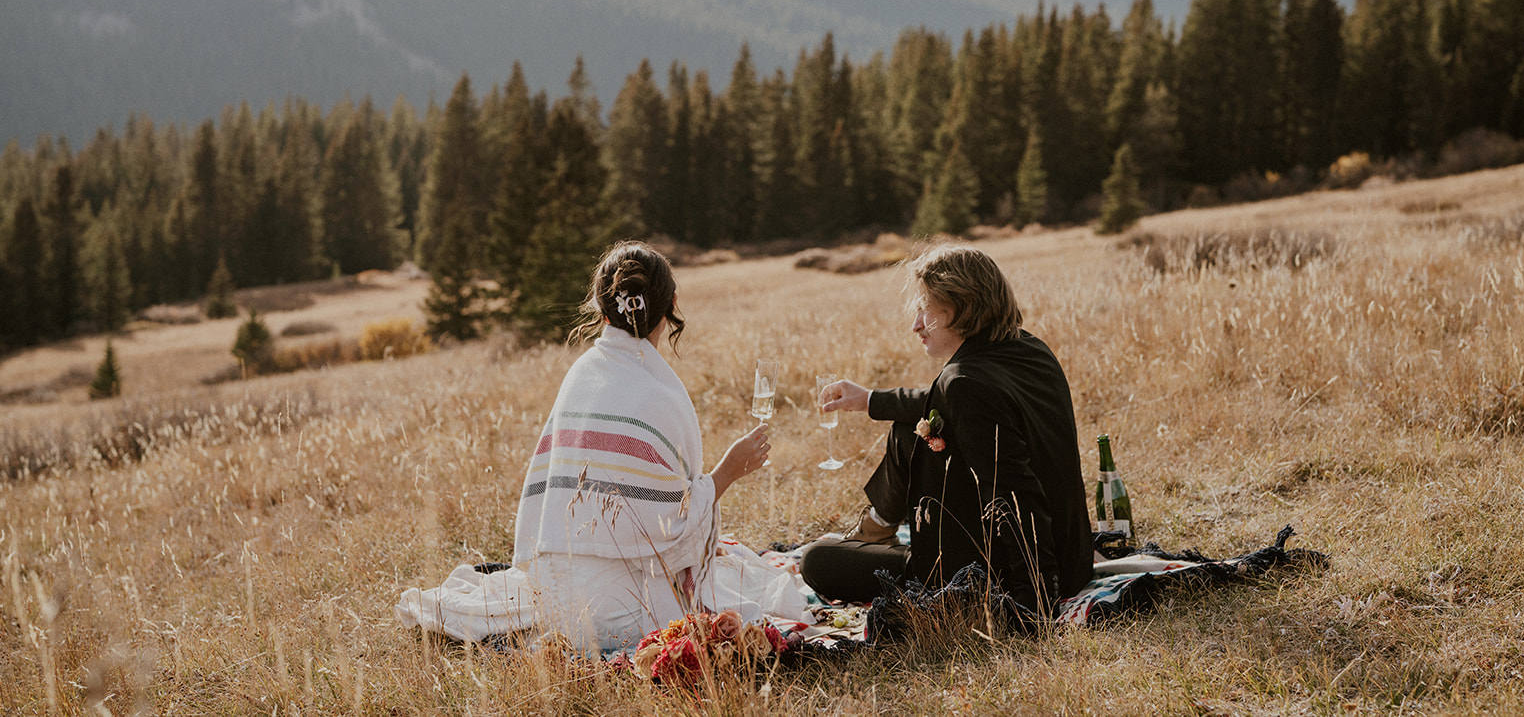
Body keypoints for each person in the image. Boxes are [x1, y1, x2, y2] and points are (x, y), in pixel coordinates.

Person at [396, 241, 776, 649]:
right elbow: (673, 528)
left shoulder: (581, 374)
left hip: (554, 601)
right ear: (671, 304)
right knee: (748, 599)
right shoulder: (662, 393)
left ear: (602, 306)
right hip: (626, 613)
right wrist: (729, 471)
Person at [801, 243, 1094, 614]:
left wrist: (1034, 596)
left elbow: (1014, 494)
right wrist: (869, 399)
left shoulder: (965, 382)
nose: (915, 324)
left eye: (924, 308)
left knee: (817, 559)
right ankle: (879, 527)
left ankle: (886, 539)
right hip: (1073, 553)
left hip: (992, 570)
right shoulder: (1027, 347)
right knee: (911, 429)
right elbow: (944, 401)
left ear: (961, 306)